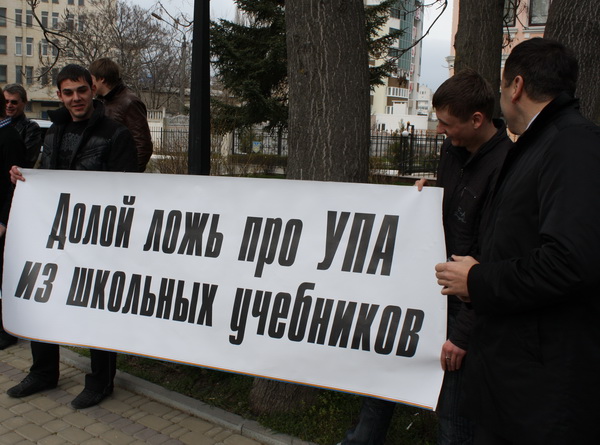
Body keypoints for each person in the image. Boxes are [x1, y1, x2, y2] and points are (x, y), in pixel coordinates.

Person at [435, 38, 600, 444]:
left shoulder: (572, 145)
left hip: (541, 391)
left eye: (503, 84)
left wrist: (477, 281)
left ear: (517, 86)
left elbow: (569, 262)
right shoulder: (537, 144)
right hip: (515, 379)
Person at [339, 69, 512, 445]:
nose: (440, 131)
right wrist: (428, 195)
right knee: (382, 378)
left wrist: (462, 335)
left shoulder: (506, 169)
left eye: (447, 123)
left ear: (477, 119)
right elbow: (452, 209)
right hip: (423, 294)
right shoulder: (454, 150)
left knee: (454, 416)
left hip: (462, 312)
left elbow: (493, 257)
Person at [7, 64, 137, 410]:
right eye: (68, 92)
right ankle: (43, 371)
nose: (75, 98)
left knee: (96, 310)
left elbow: (128, 191)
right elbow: (44, 176)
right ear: (59, 95)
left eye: (81, 90)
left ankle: (100, 381)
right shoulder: (53, 131)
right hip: (55, 234)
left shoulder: (115, 134)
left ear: (92, 89)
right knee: (42, 299)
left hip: (97, 239)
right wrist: (22, 177)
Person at [89, 58, 153, 172]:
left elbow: (143, 145)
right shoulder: (100, 101)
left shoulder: (130, 102)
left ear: (102, 79)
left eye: (92, 78)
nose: (90, 83)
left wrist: (129, 175)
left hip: (120, 175)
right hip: (101, 173)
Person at [0, 93, 26, 350]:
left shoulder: (9, 138)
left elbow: (15, 185)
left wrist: (3, 220)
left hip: (3, 220)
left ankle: (6, 330)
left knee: (4, 277)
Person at [3, 84, 42, 168]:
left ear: (24, 103)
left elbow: (26, 160)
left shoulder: (31, 128)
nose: (9, 105)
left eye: (14, 102)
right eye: (6, 101)